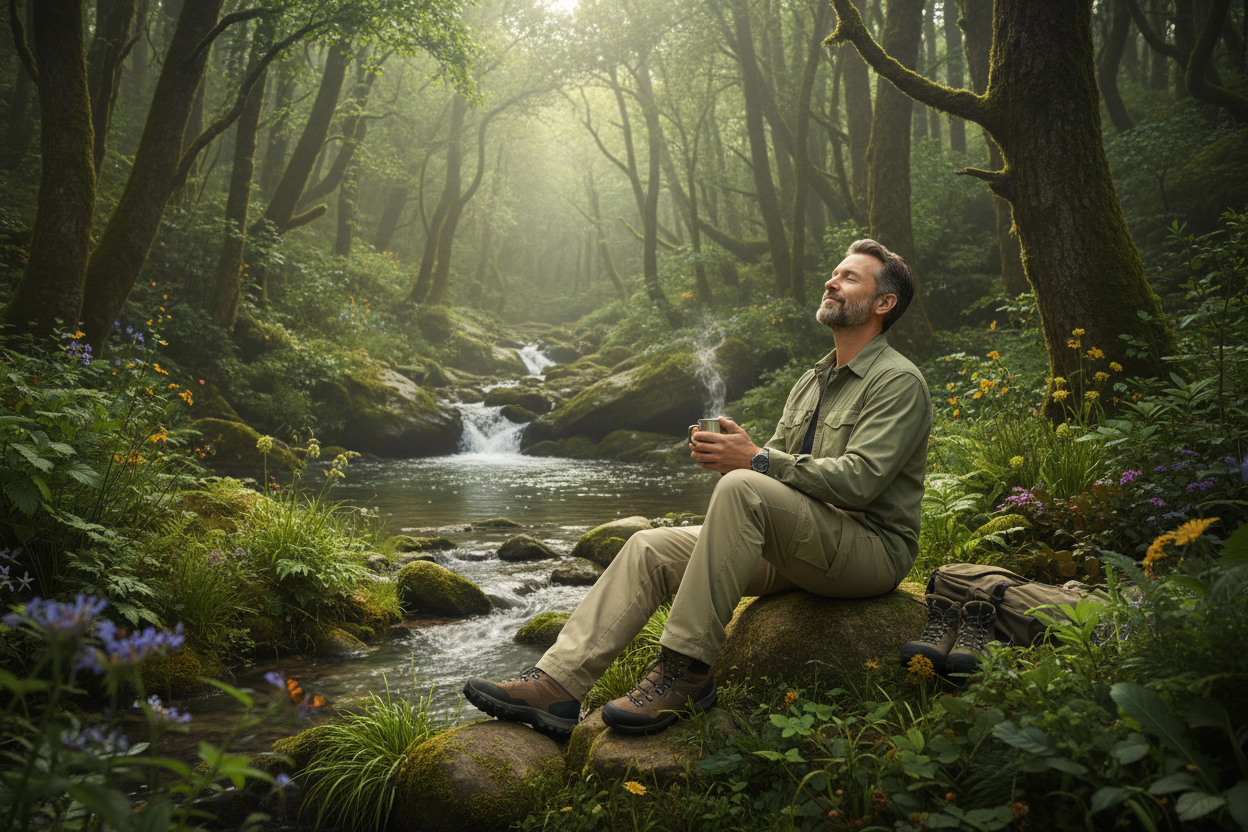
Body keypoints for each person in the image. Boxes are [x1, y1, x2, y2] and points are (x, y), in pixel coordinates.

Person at [463, 239, 932, 737]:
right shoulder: (811, 379)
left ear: (884, 304)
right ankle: (556, 686)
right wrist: (737, 455)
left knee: (744, 487)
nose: (831, 281)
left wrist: (752, 461)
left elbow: (859, 482)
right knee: (648, 546)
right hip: (804, 543)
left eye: (849, 277)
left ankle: (684, 672)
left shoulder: (897, 381)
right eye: (833, 273)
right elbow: (776, 468)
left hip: (869, 549)